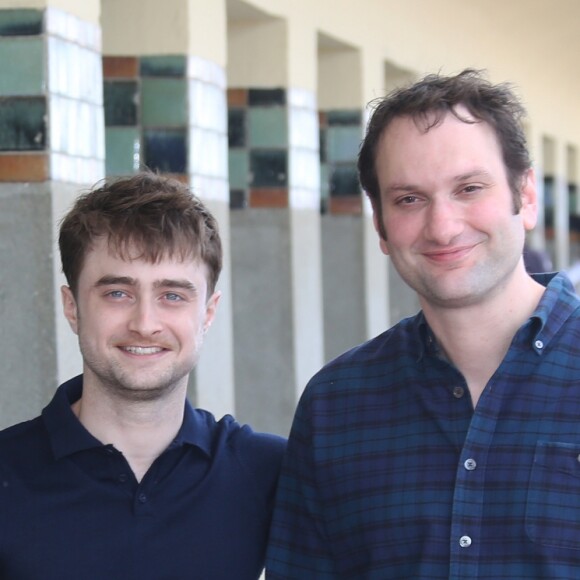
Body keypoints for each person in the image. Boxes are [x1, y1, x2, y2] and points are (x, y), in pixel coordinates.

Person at [266, 69, 580, 579]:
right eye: (410, 199)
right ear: (381, 225)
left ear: (525, 197)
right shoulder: (335, 406)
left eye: (469, 188)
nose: (443, 226)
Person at [0, 172, 285, 579]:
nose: (145, 323)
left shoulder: (266, 471)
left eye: (172, 295)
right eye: (118, 293)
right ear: (72, 306)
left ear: (207, 312)